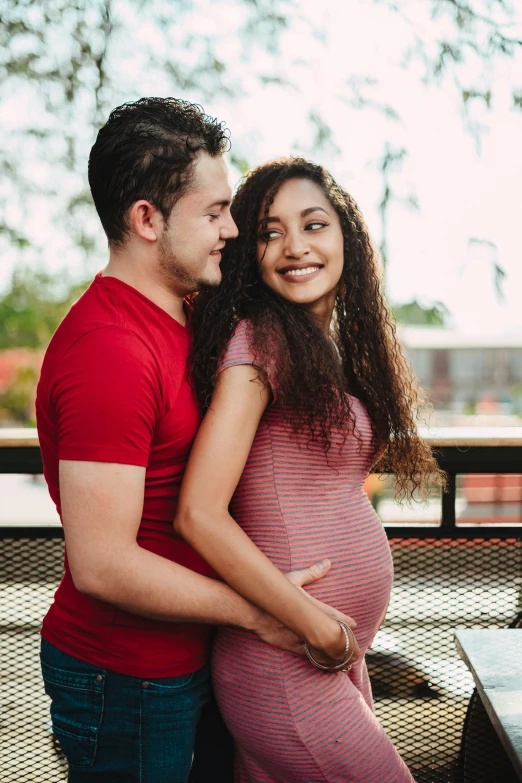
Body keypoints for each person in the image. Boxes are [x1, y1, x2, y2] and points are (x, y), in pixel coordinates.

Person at [36, 101, 357, 782]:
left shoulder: (183, 317)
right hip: (124, 682)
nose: (232, 229)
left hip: (187, 662)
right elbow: (100, 563)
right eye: (213, 213)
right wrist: (263, 608)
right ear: (147, 219)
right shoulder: (109, 350)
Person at [176, 158, 444, 782]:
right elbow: (198, 513)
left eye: (313, 224)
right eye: (269, 231)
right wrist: (314, 625)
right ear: (251, 253)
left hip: (326, 649)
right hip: (287, 655)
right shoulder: (260, 344)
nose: (294, 246)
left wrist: (330, 635)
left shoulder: (322, 350)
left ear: (346, 237)